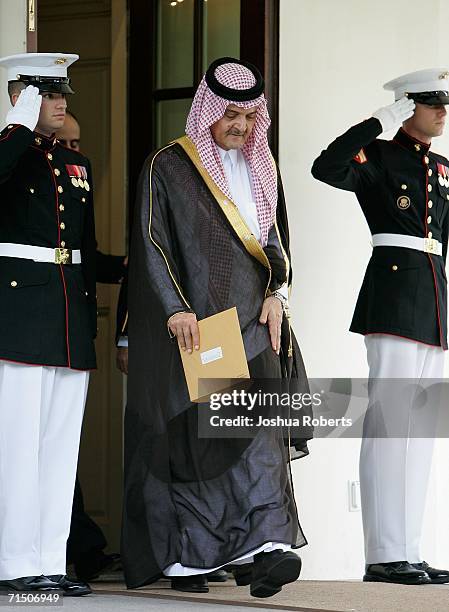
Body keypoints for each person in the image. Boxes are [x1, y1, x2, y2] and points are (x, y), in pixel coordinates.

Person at [122, 57, 311, 598]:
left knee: (258, 439)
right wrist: (176, 308)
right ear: (207, 109)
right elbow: (152, 243)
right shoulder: (171, 165)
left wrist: (279, 293)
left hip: (255, 322)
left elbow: (277, 242)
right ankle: (193, 558)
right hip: (206, 326)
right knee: (208, 446)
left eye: (249, 117)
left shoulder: (260, 166)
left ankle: (265, 549)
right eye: (229, 114)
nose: (240, 126)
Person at [312, 69, 449, 585]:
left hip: (434, 302)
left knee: (422, 434)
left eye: (444, 103)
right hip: (393, 298)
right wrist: (378, 122)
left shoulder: (441, 167)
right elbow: (325, 167)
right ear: (405, 106)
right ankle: (384, 555)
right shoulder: (380, 157)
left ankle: (409, 550)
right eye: (431, 102)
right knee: (390, 428)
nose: (442, 111)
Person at [0, 52, 97, 595]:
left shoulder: (73, 163)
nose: (59, 101)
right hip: (18, 315)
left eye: (61, 92)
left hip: (68, 316)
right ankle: (14, 562)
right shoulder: (9, 149)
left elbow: (85, 249)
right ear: (23, 96)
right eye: (46, 92)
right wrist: (17, 124)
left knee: (59, 449)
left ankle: (48, 559)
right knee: (18, 446)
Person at [55, 109, 124, 582]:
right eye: (68, 143)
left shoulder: (79, 181)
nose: (75, 154)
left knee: (59, 446)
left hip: (70, 328)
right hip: (30, 327)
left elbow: (86, 256)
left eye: (79, 144)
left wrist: (133, 267)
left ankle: (83, 547)